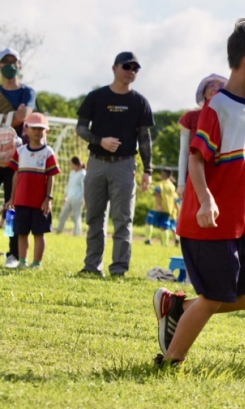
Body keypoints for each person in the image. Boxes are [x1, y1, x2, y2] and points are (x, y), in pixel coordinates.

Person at [151, 18, 245, 366]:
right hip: (210, 226)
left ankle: (177, 307)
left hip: (240, 228)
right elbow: (196, 161)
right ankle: (170, 362)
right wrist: (206, 199)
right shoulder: (217, 108)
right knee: (212, 297)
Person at [76, 51, 154, 277]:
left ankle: (119, 269)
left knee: (123, 219)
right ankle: (92, 266)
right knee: (94, 217)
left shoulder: (139, 102)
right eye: (127, 67)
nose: (131, 72)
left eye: (135, 69)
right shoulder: (96, 97)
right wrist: (100, 140)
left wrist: (148, 170)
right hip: (96, 163)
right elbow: (80, 128)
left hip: (124, 165)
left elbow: (145, 139)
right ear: (114, 68)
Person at [4, 113, 59, 269]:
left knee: (39, 233)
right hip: (21, 200)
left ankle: (37, 263)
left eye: (41, 129)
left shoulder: (48, 152)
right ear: (26, 129)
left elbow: (51, 176)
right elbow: (15, 174)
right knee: (21, 232)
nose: (37, 131)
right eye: (33, 128)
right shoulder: (20, 151)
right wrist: (12, 198)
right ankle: (22, 261)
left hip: (39, 201)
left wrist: (48, 198)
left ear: (46, 131)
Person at [0, 47, 37, 268]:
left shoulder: (28, 92)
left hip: (17, 159)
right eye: (5, 61)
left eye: (14, 61)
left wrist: (7, 117)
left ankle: (13, 254)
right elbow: (18, 116)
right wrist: (14, 115)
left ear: (20, 65)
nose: (10, 65)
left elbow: (25, 116)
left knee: (13, 206)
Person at [177, 74, 228, 199]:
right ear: (204, 92)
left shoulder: (230, 119)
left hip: (221, 179)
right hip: (195, 179)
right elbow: (184, 152)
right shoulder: (190, 118)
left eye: (220, 86)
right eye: (211, 85)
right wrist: (181, 183)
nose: (215, 89)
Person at [145, 169, 178, 246]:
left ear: (162, 176)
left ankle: (148, 240)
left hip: (157, 208)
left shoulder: (160, 184)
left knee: (149, 222)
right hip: (168, 209)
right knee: (164, 226)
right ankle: (165, 244)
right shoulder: (172, 186)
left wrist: (159, 205)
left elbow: (158, 194)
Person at [56, 157, 86, 236]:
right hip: (69, 197)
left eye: (72, 164)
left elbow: (84, 187)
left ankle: (77, 234)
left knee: (76, 217)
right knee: (63, 215)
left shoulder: (83, 173)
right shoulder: (72, 173)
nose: (71, 166)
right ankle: (58, 231)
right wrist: (65, 197)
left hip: (78, 198)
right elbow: (69, 186)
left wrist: (84, 199)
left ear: (77, 164)